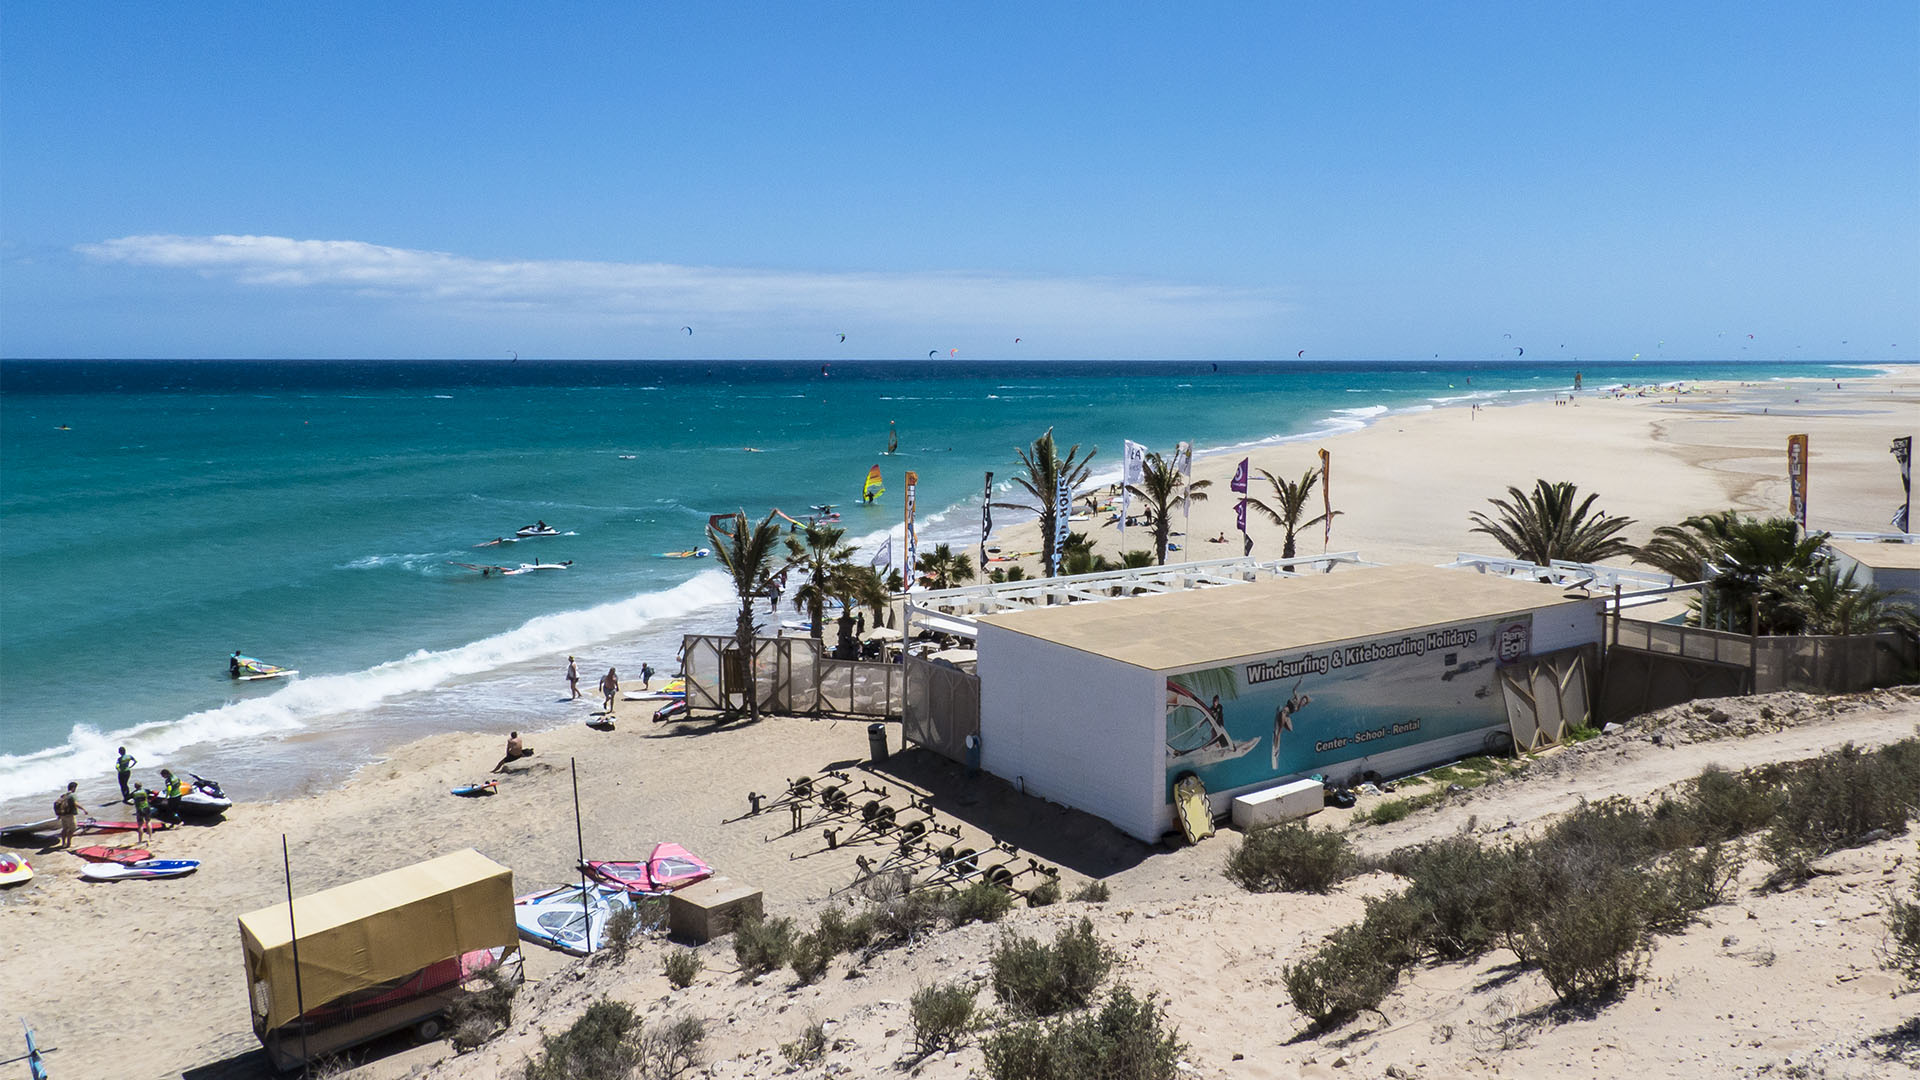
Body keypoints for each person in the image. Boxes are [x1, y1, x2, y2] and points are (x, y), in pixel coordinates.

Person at [54, 782, 85, 850]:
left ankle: (63, 843)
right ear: (73, 788)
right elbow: (75, 804)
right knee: (72, 829)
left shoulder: (63, 795)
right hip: (69, 815)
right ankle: (69, 844)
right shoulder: (72, 795)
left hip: (63, 815)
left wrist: (59, 815)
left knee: (65, 829)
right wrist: (84, 809)